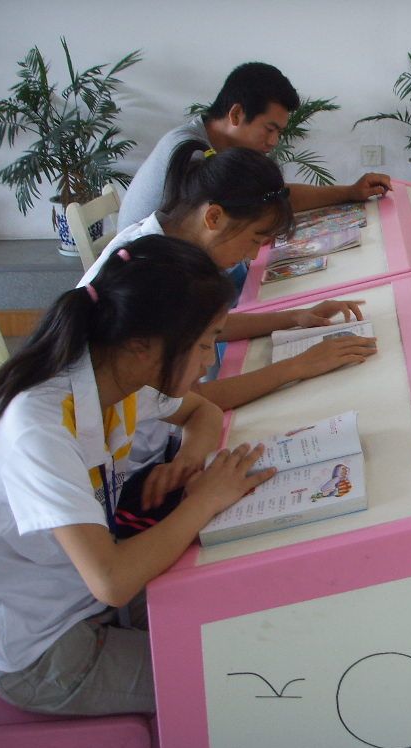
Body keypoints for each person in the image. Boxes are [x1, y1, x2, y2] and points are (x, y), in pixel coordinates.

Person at [0, 235, 278, 715]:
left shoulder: (114, 371)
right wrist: (205, 499)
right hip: (45, 649)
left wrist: (188, 463)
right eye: (203, 344)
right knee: (247, 678)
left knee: (253, 606)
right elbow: (111, 580)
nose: (208, 360)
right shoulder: (36, 429)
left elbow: (200, 411)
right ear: (142, 346)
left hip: (88, 591)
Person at [82, 143, 377, 535]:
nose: (253, 256)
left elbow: (207, 332)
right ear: (214, 217)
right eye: (254, 239)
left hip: (158, 447)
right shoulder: (151, 272)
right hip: (131, 472)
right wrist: (297, 366)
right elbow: (200, 394)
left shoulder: (170, 248)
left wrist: (293, 318)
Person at [118, 61, 391, 230]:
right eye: (269, 129)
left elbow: (271, 198)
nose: (273, 142)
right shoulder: (192, 154)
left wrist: (350, 192)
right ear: (236, 114)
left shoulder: (208, 141)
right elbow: (266, 205)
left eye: (278, 132)